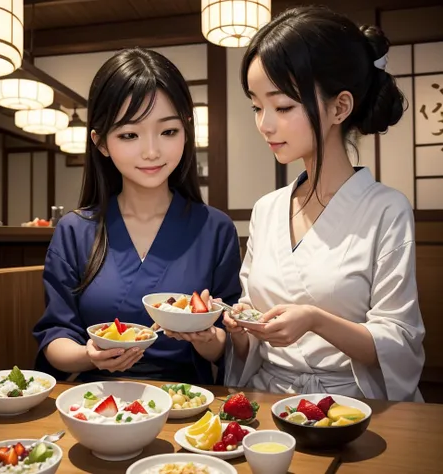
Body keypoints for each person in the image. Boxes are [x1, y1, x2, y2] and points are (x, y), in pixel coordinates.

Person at [223, 5, 425, 401]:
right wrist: (236, 329)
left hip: (352, 405)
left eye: (282, 106)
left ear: (340, 107)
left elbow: (398, 342)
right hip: (266, 401)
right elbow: (249, 325)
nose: (265, 124)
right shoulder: (267, 209)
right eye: (256, 106)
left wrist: (316, 321)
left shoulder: (387, 210)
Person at [33, 48, 242, 385]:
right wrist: (90, 355)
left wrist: (206, 337)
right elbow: (55, 336)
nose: (151, 151)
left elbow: (228, 343)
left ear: (186, 130)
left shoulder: (215, 228)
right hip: (95, 402)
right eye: (129, 135)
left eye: (168, 131)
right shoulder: (75, 230)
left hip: (186, 404)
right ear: (101, 143)